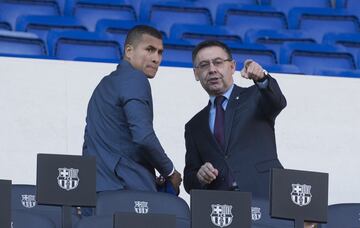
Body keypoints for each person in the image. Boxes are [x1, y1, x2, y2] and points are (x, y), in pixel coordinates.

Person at [83, 25, 182, 195]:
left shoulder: (104, 84)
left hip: (97, 189)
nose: (156, 58)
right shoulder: (135, 79)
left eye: (159, 52)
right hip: (127, 190)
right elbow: (143, 137)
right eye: (149, 50)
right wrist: (170, 171)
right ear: (129, 51)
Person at [183, 40, 286, 198]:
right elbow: (189, 180)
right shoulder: (194, 125)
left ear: (232, 67)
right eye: (204, 65)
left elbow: (278, 101)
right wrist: (199, 176)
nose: (211, 70)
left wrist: (262, 79)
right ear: (196, 74)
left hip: (265, 197)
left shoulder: (256, 95)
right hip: (221, 210)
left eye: (218, 62)